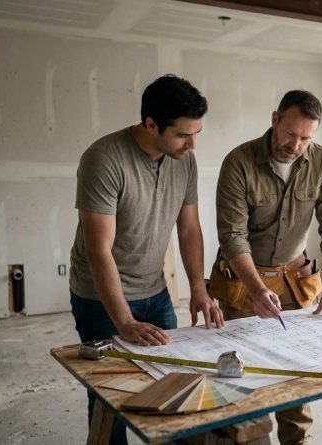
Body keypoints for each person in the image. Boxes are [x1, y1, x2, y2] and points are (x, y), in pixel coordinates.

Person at [68, 74, 224, 445]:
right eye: (184, 135)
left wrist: (199, 289)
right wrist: (123, 320)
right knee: (113, 394)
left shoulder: (183, 160)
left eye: (197, 132)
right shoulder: (103, 159)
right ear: (151, 124)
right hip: (100, 298)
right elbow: (98, 250)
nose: (193, 144)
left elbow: (189, 230)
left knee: (175, 383)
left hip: (155, 292)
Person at [213, 90, 322, 445]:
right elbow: (232, 237)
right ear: (275, 119)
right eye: (291, 133)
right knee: (244, 375)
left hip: (296, 280)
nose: (296, 144)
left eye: (306, 138)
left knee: (298, 374)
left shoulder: (321, 161)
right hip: (244, 282)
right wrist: (259, 289)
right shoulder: (239, 162)